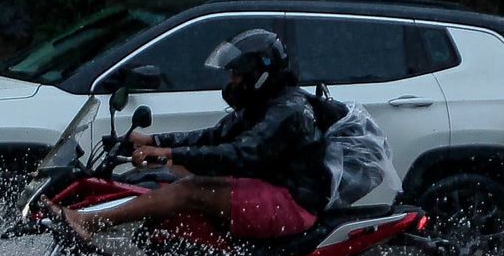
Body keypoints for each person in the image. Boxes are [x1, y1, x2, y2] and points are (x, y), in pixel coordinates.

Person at [62, 28, 330, 242]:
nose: (231, 80)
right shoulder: (264, 102)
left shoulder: (286, 111)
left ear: (259, 75)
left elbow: (238, 154)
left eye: (236, 74)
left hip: (291, 202)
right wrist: (154, 142)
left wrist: (168, 152)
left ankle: (91, 221)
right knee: (166, 173)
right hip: (269, 185)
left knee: (188, 190)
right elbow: (214, 135)